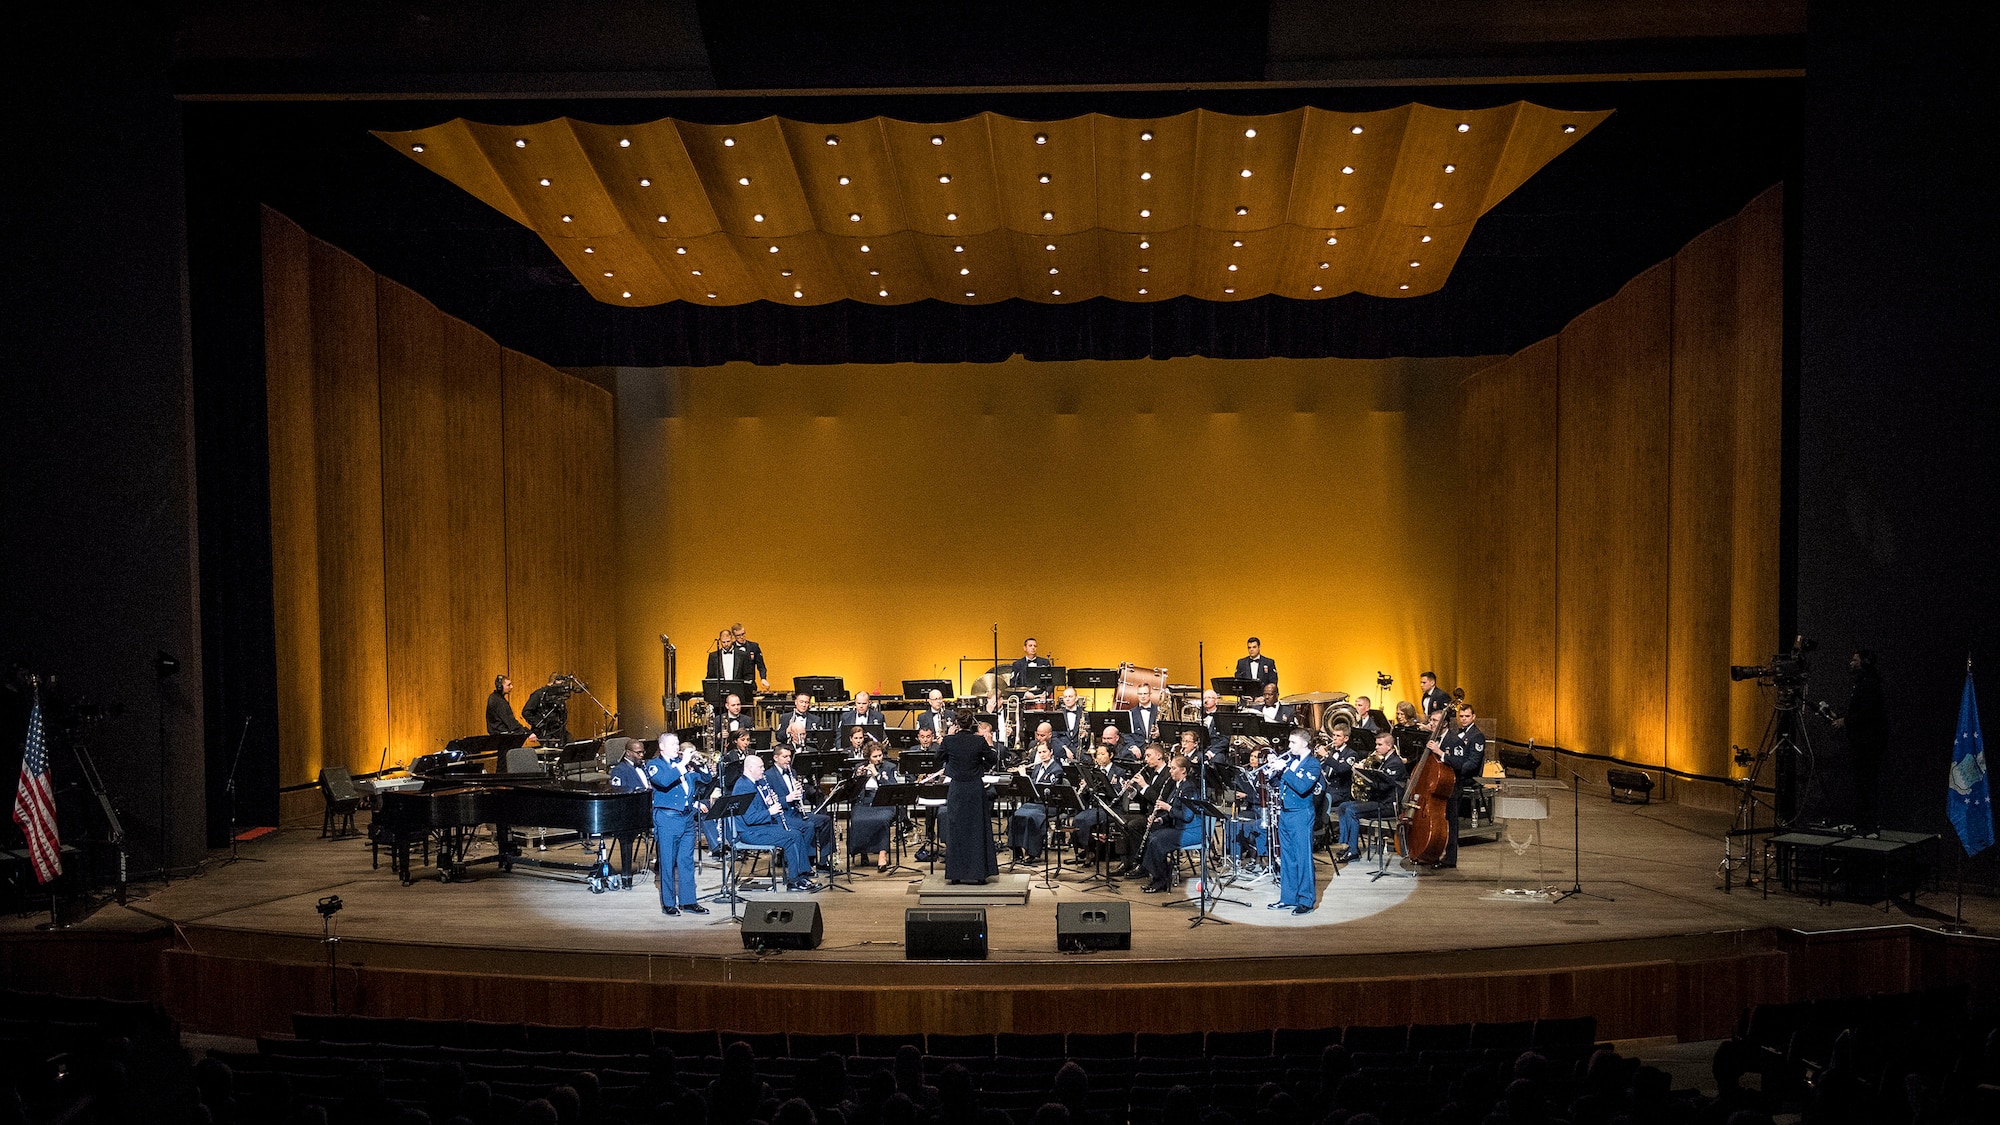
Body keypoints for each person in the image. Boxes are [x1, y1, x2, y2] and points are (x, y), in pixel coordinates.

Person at [644, 734, 713, 916]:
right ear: (661, 746)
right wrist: (683, 763)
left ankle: (688, 901)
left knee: (686, 861)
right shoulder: (654, 765)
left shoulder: (685, 764)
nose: (677, 747)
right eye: (673, 744)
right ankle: (668, 903)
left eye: (677, 743)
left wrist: (700, 764)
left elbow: (706, 779)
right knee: (668, 862)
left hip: (687, 818)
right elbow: (664, 781)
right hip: (668, 818)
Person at [732, 754, 818, 892]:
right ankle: (794, 880)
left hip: (761, 826)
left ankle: (803, 874)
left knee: (796, 832)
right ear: (750, 768)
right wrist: (770, 811)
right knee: (791, 837)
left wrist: (770, 802)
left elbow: (759, 807)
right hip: (750, 832)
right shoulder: (743, 786)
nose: (763, 770)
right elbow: (749, 818)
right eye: (760, 767)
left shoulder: (755, 783)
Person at [940, 707, 999, 884]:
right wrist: (989, 746)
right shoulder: (979, 741)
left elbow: (938, 757)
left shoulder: (949, 740)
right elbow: (992, 760)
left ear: (957, 723)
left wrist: (949, 737)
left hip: (957, 788)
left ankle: (956, 874)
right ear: (972, 722)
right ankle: (979, 874)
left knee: (956, 829)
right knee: (977, 828)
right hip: (974, 788)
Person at [1834, 650, 1887, 833]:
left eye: (1855, 660)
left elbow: (1867, 713)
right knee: (1863, 784)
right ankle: (1864, 824)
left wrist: (1845, 721)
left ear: (1864, 662)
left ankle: (1867, 825)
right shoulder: (1865, 684)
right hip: (1863, 744)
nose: (1851, 662)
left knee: (1866, 784)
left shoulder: (1869, 685)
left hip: (1867, 746)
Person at [1272, 730, 1323, 914]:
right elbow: (1279, 784)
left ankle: (1306, 900)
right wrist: (1274, 770)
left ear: (1305, 744)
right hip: (1285, 813)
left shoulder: (1313, 764)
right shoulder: (1292, 761)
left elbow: (1302, 787)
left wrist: (1284, 770)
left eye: (1293, 742)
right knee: (1287, 857)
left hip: (1301, 813)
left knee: (1303, 858)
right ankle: (1288, 897)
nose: (1289, 746)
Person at [1432, 702, 1487, 868]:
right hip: (1449, 776)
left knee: (1451, 821)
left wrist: (1456, 770)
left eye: (1467, 716)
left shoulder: (1477, 736)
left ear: (1473, 717)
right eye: (1461, 716)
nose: (1463, 719)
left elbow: (1472, 763)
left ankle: (1450, 856)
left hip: (1465, 777)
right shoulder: (1456, 733)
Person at [1338, 729, 1408, 854]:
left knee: (1351, 810)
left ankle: (1353, 851)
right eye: (1376, 744)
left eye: (1380, 745)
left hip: (1388, 804)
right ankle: (1346, 844)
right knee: (1343, 806)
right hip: (1379, 801)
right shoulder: (1383, 761)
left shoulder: (1395, 763)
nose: (1376, 747)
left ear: (1389, 746)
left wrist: (1365, 773)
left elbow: (1385, 786)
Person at [1138, 754, 1201, 893]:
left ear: (1183, 770)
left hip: (1190, 831)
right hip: (1179, 827)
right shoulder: (1177, 785)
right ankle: (1158, 875)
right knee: (1153, 835)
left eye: (1173, 768)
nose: (1170, 771)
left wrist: (1168, 808)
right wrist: (1160, 819)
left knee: (1157, 840)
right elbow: (1174, 810)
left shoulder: (1189, 788)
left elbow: (1186, 816)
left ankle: (1161, 879)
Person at [769, 743, 836, 873]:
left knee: (825, 820)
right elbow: (769, 802)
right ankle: (801, 863)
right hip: (782, 816)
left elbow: (799, 796)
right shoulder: (769, 775)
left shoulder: (792, 772)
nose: (788, 760)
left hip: (796, 813)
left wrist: (800, 791)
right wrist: (787, 798)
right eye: (784, 757)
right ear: (776, 758)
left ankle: (822, 861)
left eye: (789, 756)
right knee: (808, 826)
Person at [847, 739, 902, 870]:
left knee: (882, 820)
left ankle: (882, 855)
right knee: (857, 819)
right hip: (864, 801)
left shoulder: (889, 767)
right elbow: (852, 791)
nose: (878, 759)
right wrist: (858, 777)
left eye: (880, 755)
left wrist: (877, 776)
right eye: (875, 756)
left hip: (883, 802)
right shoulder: (859, 767)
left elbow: (892, 788)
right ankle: (862, 852)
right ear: (868, 758)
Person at [1008, 738, 1065, 863]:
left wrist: (1024, 777)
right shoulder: (1037, 768)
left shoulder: (1057, 770)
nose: (1042, 755)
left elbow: (1043, 790)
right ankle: (1018, 850)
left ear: (1051, 752)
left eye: (1044, 752)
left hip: (1048, 804)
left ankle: (1030, 852)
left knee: (1030, 817)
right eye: (1039, 753)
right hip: (1035, 803)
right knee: (1015, 816)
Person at [1070, 745, 1127, 863]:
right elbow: (1089, 795)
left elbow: (1117, 793)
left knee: (1086, 820)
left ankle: (1091, 851)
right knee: (1076, 819)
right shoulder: (1094, 771)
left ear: (1110, 755)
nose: (1099, 757)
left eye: (1102, 754)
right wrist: (1085, 787)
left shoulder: (1119, 771)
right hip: (1097, 806)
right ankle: (1087, 850)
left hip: (1111, 807)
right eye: (1098, 755)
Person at [605, 736, 649, 887]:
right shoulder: (619, 770)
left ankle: (663, 864)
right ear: (628, 753)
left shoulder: (643, 766)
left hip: (647, 809)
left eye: (643, 752)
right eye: (638, 753)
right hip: (632, 812)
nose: (642, 755)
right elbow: (619, 793)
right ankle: (626, 876)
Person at [1230, 745, 1270, 865]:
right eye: (1252, 756)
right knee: (1232, 822)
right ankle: (1236, 856)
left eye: (1256, 757)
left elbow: (1264, 798)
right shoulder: (1248, 774)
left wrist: (1246, 796)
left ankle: (1258, 854)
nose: (1253, 759)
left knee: (1247, 825)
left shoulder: (1266, 775)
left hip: (1262, 810)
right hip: (1251, 809)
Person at [522, 674, 572, 745]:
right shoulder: (539, 694)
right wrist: (539, 724)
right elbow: (526, 712)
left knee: (571, 745)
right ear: (555, 682)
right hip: (544, 731)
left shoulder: (559, 695)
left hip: (559, 730)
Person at [729, 623, 770, 690]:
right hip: (735, 684)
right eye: (738, 635)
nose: (741, 637)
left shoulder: (753, 646)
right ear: (733, 636)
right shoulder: (731, 648)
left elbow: (761, 666)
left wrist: (763, 678)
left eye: (743, 634)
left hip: (750, 683)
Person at [1127, 683, 1160, 748]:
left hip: (1155, 746)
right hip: (1138, 747)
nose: (1142, 696)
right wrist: (1133, 746)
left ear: (1150, 694)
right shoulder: (1131, 712)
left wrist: (1159, 732)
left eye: (1145, 694)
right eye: (1140, 694)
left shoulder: (1158, 710)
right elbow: (1126, 734)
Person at [1055, 686, 1088, 750]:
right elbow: (1054, 736)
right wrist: (1064, 748)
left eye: (1070, 696)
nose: (1067, 699)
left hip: (1079, 748)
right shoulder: (1058, 714)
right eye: (1065, 697)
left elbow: (1088, 731)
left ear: (1076, 698)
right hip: (1062, 749)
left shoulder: (1084, 713)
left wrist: (1085, 734)